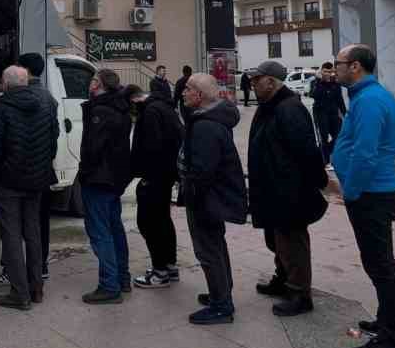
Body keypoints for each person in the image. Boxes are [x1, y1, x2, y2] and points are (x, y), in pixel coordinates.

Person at [331, 45, 395, 348]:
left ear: (356, 67)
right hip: (372, 192)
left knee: (381, 265)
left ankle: (392, 339)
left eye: (339, 64)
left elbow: (365, 153)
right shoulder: (366, 96)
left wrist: (351, 191)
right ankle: (389, 321)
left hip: (371, 194)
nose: (335, 69)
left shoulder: (371, 101)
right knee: (379, 264)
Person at [247, 60, 328, 318]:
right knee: (276, 240)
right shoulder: (270, 106)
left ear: (271, 81)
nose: (252, 85)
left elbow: (307, 151)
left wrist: (319, 182)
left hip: (289, 191)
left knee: (292, 242)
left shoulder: (289, 108)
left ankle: (300, 293)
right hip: (272, 188)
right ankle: (282, 279)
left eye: (256, 80)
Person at [0, 64, 58, 311]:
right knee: (33, 232)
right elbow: (53, 143)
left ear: (5, 83)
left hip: (8, 183)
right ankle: (36, 288)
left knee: (11, 236)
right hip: (36, 181)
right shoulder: (44, 105)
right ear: (26, 82)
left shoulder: (1, 106)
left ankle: (19, 293)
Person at [179, 73, 247, 323]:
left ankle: (221, 306)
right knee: (215, 246)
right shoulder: (207, 119)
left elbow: (203, 171)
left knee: (208, 250)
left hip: (206, 200)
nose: (183, 93)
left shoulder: (206, 126)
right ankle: (221, 293)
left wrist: (192, 195)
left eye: (187, 89)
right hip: (210, 198)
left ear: (198, 95)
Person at [78, 68, 133, 304]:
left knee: (100, 233)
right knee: (114, 229)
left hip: (99, 178)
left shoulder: (100, 111)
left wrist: (85, 172)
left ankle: (109, 285)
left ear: (98, 85)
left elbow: (93, 149)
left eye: (92, 80)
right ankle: (122, 277)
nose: (89, 84)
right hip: (115, 178)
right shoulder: (120, 108)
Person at [131, 76, 184, 287]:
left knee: (148, 222)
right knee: (162, 220)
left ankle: (160, 271)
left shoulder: (152, 112)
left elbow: (152, 146)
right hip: (167, 175)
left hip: (155, 177)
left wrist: (146, 176)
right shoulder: (168, 110)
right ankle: (169, 266)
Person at [310, 61, 346, 165]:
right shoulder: (316, 82)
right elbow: (314, 95)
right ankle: (325, 162)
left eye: (330, 72)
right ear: (321, 71)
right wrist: (320, 81)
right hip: (320, 114)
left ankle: (326, 152)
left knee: (339, 136)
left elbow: (340, 100)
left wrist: (345, 114)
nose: (327, 74)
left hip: (333, 114)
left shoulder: (335, 83)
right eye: (325, 71)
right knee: (323, 138)